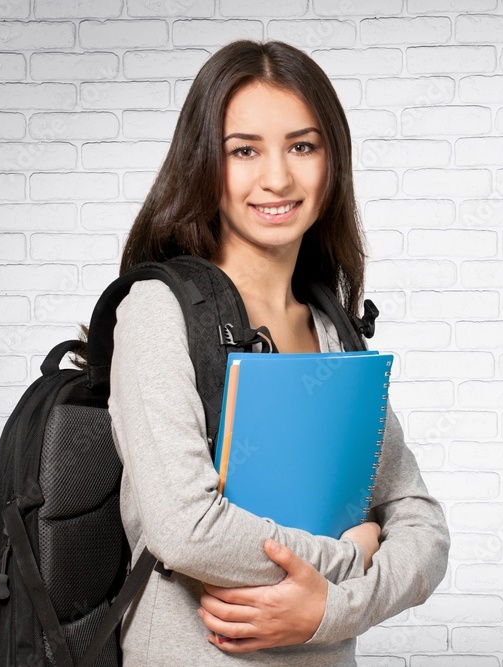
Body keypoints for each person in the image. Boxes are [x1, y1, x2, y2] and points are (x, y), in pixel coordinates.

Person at [106, 39, 450, 664]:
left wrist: (329, 610)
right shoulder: (158, 313)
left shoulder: (330, 329)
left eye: (302, 146)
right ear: (205, 165)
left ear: (331, 161)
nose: (277, 178)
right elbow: (186, 531)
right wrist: (355, 556)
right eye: (245, 151)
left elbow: (422, 525)